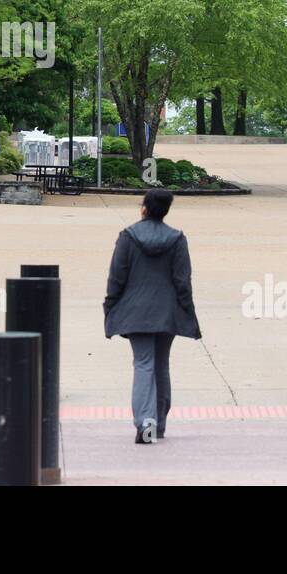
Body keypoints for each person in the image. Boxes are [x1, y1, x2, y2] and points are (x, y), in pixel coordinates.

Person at [103, 187, 200, 444]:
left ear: (144, 208)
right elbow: (183, 282)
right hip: (167, 313)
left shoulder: (127, 237)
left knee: (143, 364)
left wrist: (109, 306)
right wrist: (188, 312)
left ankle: (146, 425)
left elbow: (116, 278)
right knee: (161, 365)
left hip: (135, 313)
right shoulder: (177, 239)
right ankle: (159, 425)